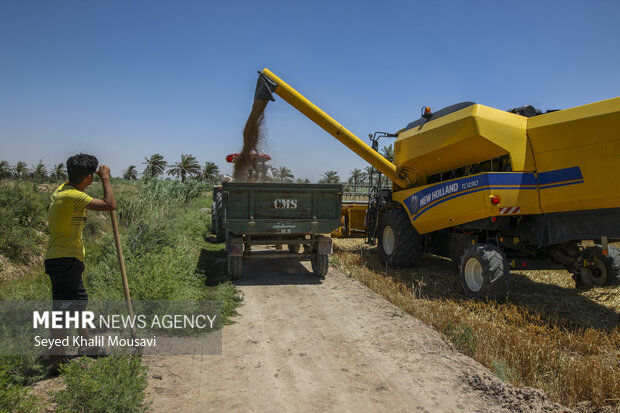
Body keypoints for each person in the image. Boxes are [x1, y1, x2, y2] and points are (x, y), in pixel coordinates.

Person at [44, 153, 116, 371]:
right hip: (63, 259)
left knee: (79, 304)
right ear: (89, 177)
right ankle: (57, 359)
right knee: (63, 310)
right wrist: (106, 178)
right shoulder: (71, 196)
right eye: (93, 175)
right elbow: (109, 204)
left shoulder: (65, 190)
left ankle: (86, 345)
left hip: (70, 259)